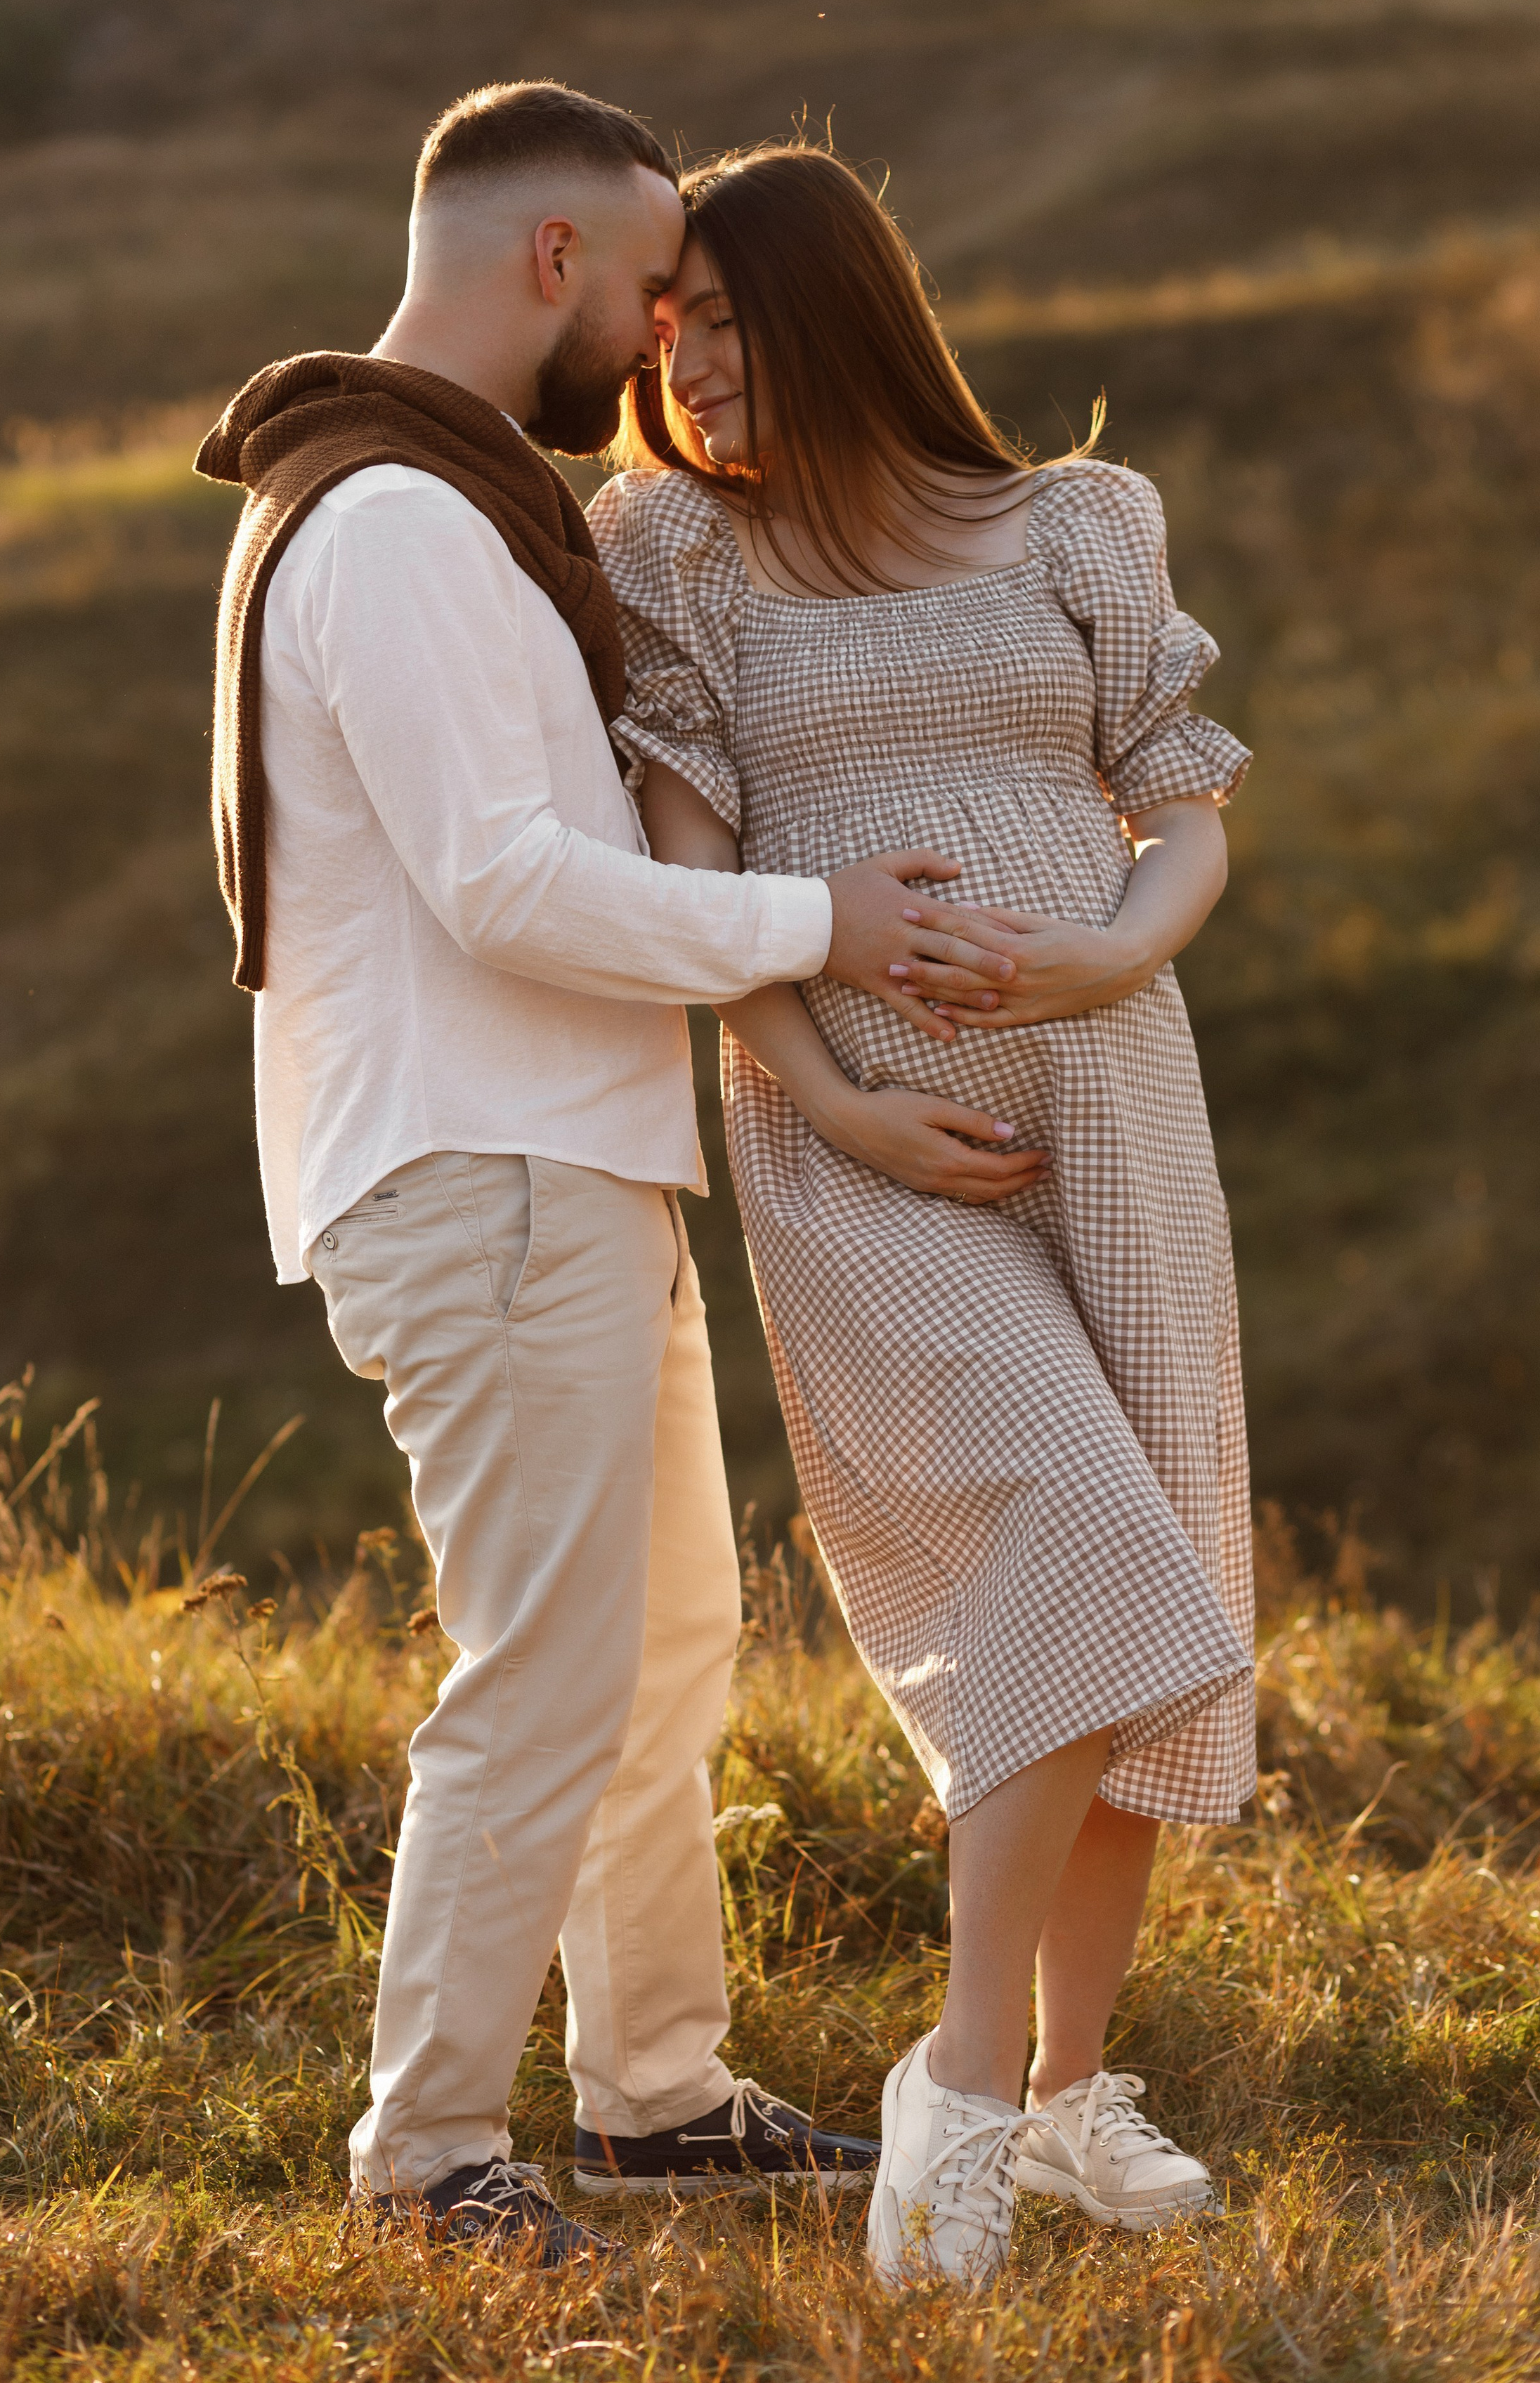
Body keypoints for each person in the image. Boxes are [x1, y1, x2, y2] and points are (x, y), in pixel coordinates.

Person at [195, 84, 1020, 2264]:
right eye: (657, 288)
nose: (666, 343)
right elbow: (501, 888)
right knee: (546, 1671)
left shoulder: (440, 508)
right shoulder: (391, 522)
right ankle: (428, 2153)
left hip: (563, 1166)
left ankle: (654, 2096)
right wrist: (815, 923)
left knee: (661, 1658)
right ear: (554, 259)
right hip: (481, 1174)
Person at [590, 142, 1258, 2289]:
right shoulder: (671, 551)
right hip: (860, 1137)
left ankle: (1069, 2101)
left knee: (1147, 1555)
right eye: (661, 326)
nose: (682, 361)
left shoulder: (1076, 516)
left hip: (1105, 1092)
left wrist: (1109, 957)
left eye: (720, 314)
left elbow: (1185, 804)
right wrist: (847, 1111)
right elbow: (700, 900)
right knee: (1071, 1531)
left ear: (842, 303)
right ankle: (962, 2085)